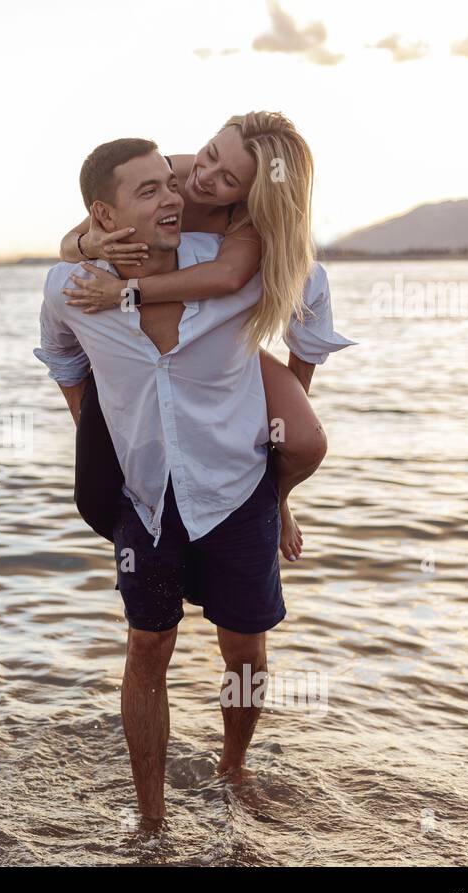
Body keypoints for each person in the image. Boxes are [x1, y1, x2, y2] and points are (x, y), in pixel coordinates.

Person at [35, 138, 335, 823]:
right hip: (145, 499)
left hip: (237, 486)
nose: (176, 196)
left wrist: (293, 403)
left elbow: (311, 301)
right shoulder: (71, 287)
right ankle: (151, 818)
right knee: (147, 645)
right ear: (102, 214)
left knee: (244, 647)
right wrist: (100, 428)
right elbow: (59, 357)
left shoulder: (239, 267)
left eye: (173, 186)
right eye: (151, 191)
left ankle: (234, 767)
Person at [57, 112, 354, 561]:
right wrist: (91, 246)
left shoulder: (248, 221)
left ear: (253, 195)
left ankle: (277, 502)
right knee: (105, 482)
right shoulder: (170, 172)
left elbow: (229, 276)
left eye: (228, 178)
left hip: (221, 337)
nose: (203, 177)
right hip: (155, 341)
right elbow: (69, 243)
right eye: (211, 154)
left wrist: (125, 293)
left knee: (304, 441)